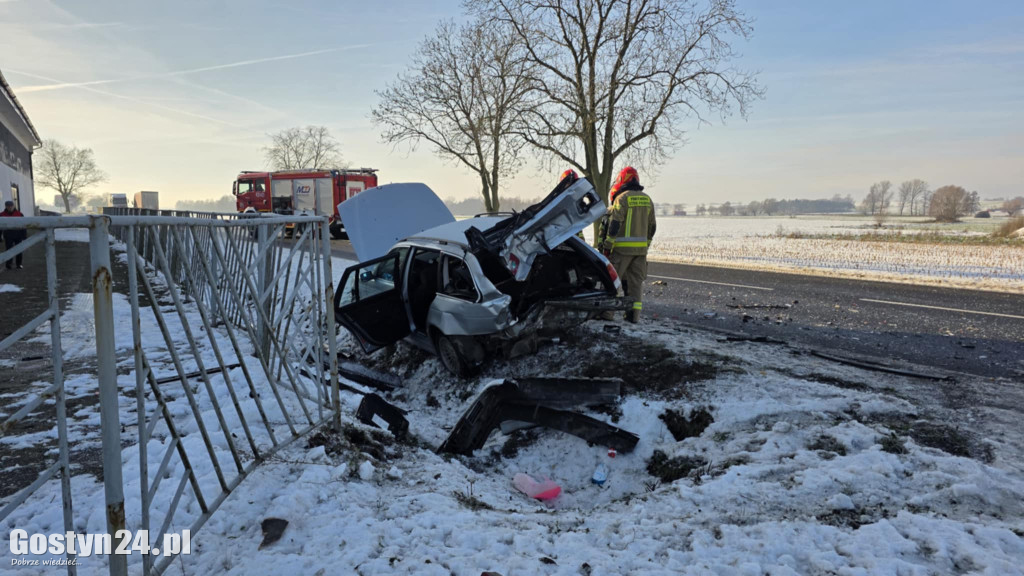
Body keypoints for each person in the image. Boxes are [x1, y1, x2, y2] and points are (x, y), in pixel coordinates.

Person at [598, 167, 656, 323]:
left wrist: (608, 245)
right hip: (640, 252)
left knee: (613, 282)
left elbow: (615, 224)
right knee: (635, 286)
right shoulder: (647, 199)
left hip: (621, 251)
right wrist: (646, 245)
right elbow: (652, 227)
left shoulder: (621, 199)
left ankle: (607, 314)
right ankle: (633, 317)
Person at [1, 200, 26, 270]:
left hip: (18, 234)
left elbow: (24, 225)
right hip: (8, 235)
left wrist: (24, 235)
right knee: (9, 250)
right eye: (8, 206)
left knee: (19, 249)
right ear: (5, 206)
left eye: (11, 206)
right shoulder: (2, 215)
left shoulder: (19, 214)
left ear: (13, 206)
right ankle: (8, 264)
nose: (10, 207)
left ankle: (19, 264)